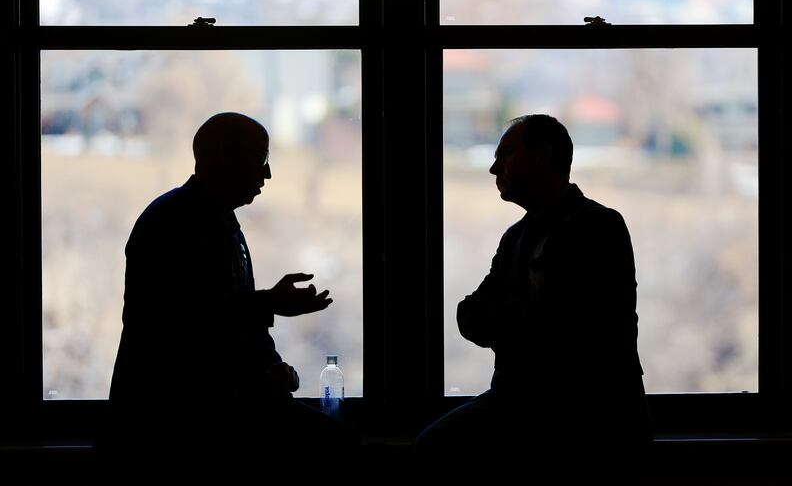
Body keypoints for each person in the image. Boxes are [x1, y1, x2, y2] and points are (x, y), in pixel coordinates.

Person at [103, 112, 358, 480]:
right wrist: (268, 304)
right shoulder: (170, 224)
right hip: (172, 421)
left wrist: (272, 367)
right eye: (261, 158)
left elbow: (226, 319)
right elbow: (175, 326)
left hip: (217, 409)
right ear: (223, 153)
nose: (267, 174)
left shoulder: (220, 223)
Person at [415, 114, 651, 478]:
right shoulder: (517, 236)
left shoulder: (601, 228)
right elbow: (470, 317)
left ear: (542, 156)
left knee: (438, 449)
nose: (494, 168)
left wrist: (507, 317)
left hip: (590, 415)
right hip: (525, 408)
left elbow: (561, 331)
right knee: (431, 448)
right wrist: (524, 316)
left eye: (506, 155)